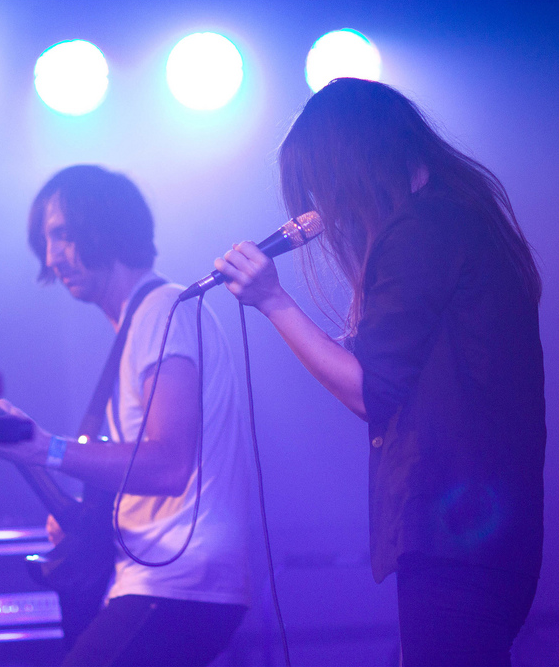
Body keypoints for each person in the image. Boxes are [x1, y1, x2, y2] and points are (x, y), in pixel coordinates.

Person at [216, 77, 545, 666]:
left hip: (456, 535)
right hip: (485, 532)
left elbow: (370, 391)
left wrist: (272, 300)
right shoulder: (458, 217)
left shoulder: (422, 228)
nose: (326, 211)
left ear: (352, 170)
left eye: (326, 188)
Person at [0, 165, 251, 666]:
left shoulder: (163, 309)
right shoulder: (141, 321)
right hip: (163, 584)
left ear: (105, 228)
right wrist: (90, 521)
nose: (51, 257)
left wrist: (46, 449)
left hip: (176, 586)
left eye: (62, 234)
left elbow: (168, 465)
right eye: (46, 241)